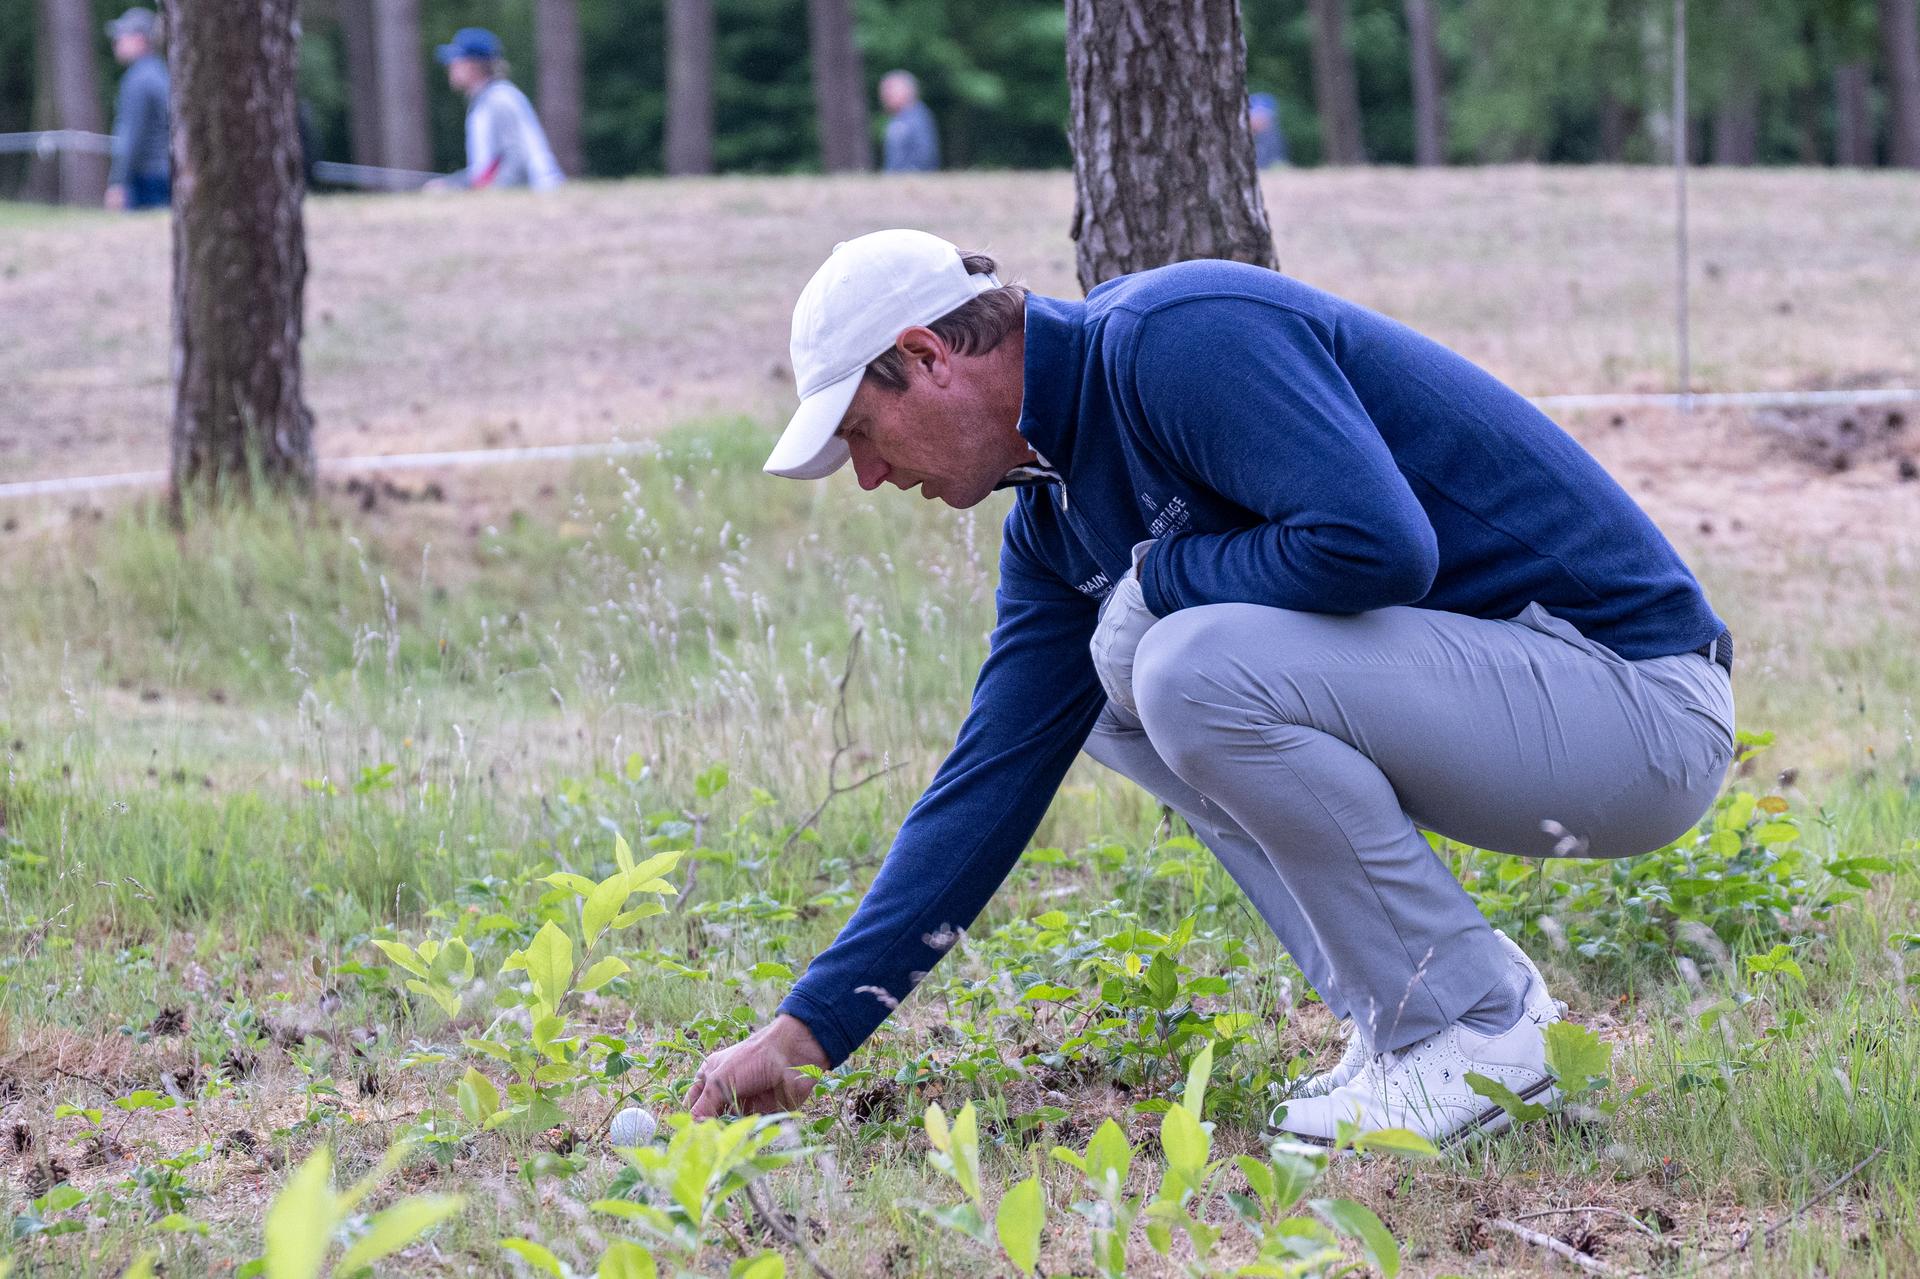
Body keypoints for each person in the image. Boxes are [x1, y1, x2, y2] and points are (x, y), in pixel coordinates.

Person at [687, 230, 1735, 1146]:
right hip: (1528, 715)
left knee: (1184, 664)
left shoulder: (1174, 338)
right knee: (1113, 685)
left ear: (925, 357)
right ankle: (1413, 1009)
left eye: (862, 432)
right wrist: (814, 1028)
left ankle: (1467, 1031)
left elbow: (1380, 545)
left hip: (1636, 704)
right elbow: (990, 780)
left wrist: (1162, 578)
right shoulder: (1051, 521)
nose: (869, 476)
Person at [430, 28, 564, 192]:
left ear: (474, 65)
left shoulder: (500, 99)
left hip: (535, 195)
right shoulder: (486, 99)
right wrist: (452, 184)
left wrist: (492, 192)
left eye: (456, 61)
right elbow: (485, 167)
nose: (450, 66)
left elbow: (518, 157)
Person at [103, 7, 170, 212]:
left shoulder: (137, 80)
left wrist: (117, 183)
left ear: (140, 40)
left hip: (146, 180)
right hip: (165, 174)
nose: (117, 42)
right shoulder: (159, 72)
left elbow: (131, 137)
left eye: (122, 35)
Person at [879, 71, 939, 174]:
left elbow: (925, 154)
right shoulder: (898, 118)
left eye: (890, 91)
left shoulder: (918, 117)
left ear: (908, 91)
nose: (885, 96)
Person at [1249, 92, 1289, 168]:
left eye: (1262, 116)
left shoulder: (1275, 141)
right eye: (1255, 115)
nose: (1258, 120)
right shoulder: (1240, 139)